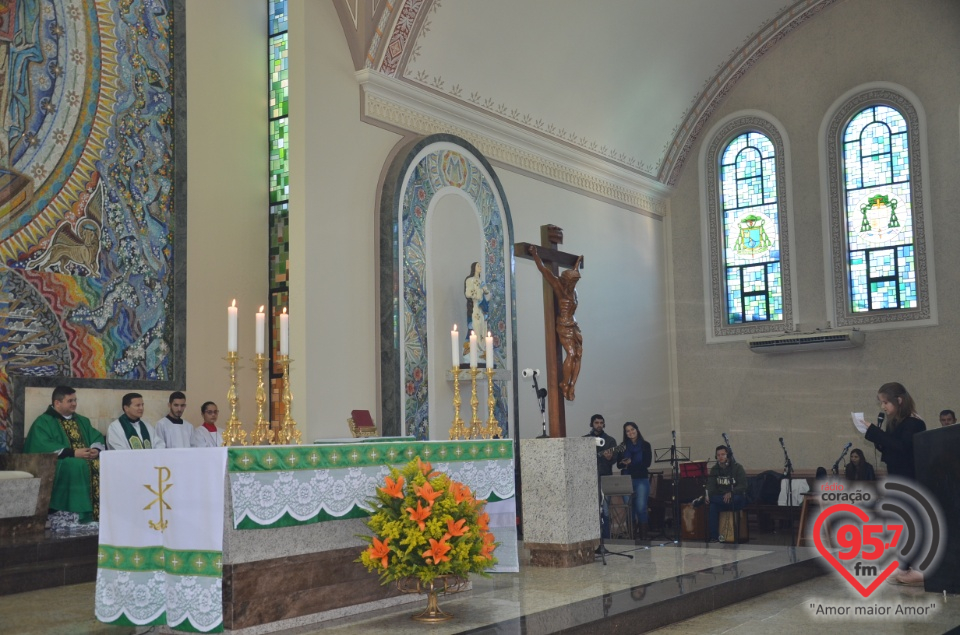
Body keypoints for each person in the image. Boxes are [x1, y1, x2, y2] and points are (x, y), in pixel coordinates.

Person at [863, 381, 926, 585]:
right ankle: (903, 566)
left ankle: (919, 568)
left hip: (911, 480)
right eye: (881, 403)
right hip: (897, 479)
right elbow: (891, 449)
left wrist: (875, 433)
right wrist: (877, 437)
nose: (883, 407)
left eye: (885, 402)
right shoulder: (896, 422)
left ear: (899, 400)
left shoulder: (914, 423)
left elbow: (903, 449)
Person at [23, 386, 105, 525]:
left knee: (100, 463)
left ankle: (98, 512)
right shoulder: (44, 421)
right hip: (57, 462)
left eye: (75, 400)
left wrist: (95, 449)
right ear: (57, 403)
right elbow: (41, 445)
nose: (74, 404)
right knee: (76, 464)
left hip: (81, 459)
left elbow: (96, 436)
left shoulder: (82, 420)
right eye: (70, 401)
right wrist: (73, 453)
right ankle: (75, 513)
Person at [527, 244, 584, 400]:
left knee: (579, 354)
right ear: (566, 280)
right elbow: (544, 270)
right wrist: (535, 255)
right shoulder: (558, 286)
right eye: (572, 282)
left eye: (575, 282)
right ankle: (564, 383)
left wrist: (578, 261)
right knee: (571, 354)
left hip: (573, 324)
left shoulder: (573, 290)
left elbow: (576, 270)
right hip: (564, 325)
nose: (574, 284)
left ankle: (572, 384)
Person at [584, 414, 618, 539]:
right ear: (592, 424)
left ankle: (606, 539)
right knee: (590, 511)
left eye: (601, 422)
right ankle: (591, 538)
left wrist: (610, 458)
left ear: (604, 424)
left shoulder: (610, 440)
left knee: (605, 510)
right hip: (589, 479)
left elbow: (614, 459)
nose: (599, 425)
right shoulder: (585, 439)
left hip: (605, 477)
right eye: (596, 422)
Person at [616, 421, 652, 540]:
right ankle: (632, 538)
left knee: (641, 508)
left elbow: (647, 463)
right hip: (626, 479)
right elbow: (618, 465)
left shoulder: (645, 445)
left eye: (632, 429)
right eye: (628, 431)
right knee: (629, 508)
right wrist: (623, 463)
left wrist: (632, 462)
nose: (630, 432)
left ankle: (644, 538)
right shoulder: (622, 446)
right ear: (625, 433)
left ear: (637, 430)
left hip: (641, 479)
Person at [706, 445, 747, 543]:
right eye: (718, 455)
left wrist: (731, 492)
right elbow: (711, 486)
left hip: (736, 499)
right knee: (712, 506)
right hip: (721, 500)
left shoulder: (737, 467)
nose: (720, 457)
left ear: (728, 455)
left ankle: (699, 501)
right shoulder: (715, 469)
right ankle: (714, 537)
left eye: (723, 454)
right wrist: (707, 494)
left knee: (736, 498)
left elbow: (743, 486)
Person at [463, 262, 491, 354]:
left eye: (480, 265)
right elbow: (468, 293)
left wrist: (485, 291)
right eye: (478, 265)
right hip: (475, 307)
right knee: (475, 326)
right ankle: (475, 349)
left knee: (482, 329)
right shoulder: (470, 280)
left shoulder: (481, 281)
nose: (480, 267)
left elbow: (488, 294)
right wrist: (477, 295)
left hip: (481, 309)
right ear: (474, 267)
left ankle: (481, 349)